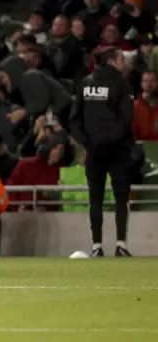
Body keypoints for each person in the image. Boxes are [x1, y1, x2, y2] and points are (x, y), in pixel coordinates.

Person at [69, 46, 134, 258]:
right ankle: (121, 245)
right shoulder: (122, 84)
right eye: (121, 59)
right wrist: (109, 141)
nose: (124, 63)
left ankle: (96, 246)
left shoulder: (85, 83)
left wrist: (88, 142)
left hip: (94, 151)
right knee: (120, 197)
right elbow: (126, 119)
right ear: (113, 61)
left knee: (95, 198)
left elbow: (75, 119)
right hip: (118, 151)